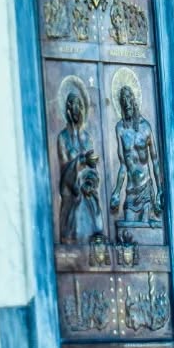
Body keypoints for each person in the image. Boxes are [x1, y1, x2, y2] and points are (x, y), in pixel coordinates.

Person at [111, 80, 163, 227]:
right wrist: (117, 192)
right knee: (127, 230)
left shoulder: (146, 127)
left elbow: (155, 161)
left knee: (144, 231)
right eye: (123, 100)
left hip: (146, 189)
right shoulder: (120, 128)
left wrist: (159, 191)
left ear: (134, 100)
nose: (126, 102)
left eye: (128, 98)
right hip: (130, 191)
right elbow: (123, 165)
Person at [56, 86, 103, 245]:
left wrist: (91, 183)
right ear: (68, 109)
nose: (77, 109)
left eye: (79, 105)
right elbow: (64, 172)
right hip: (72, 197)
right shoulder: (62, 138)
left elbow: (93, 168)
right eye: (74, 105)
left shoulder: (87, 138)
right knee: (73, 231)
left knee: (95, 229)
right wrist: (82, 161)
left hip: (87, 195)